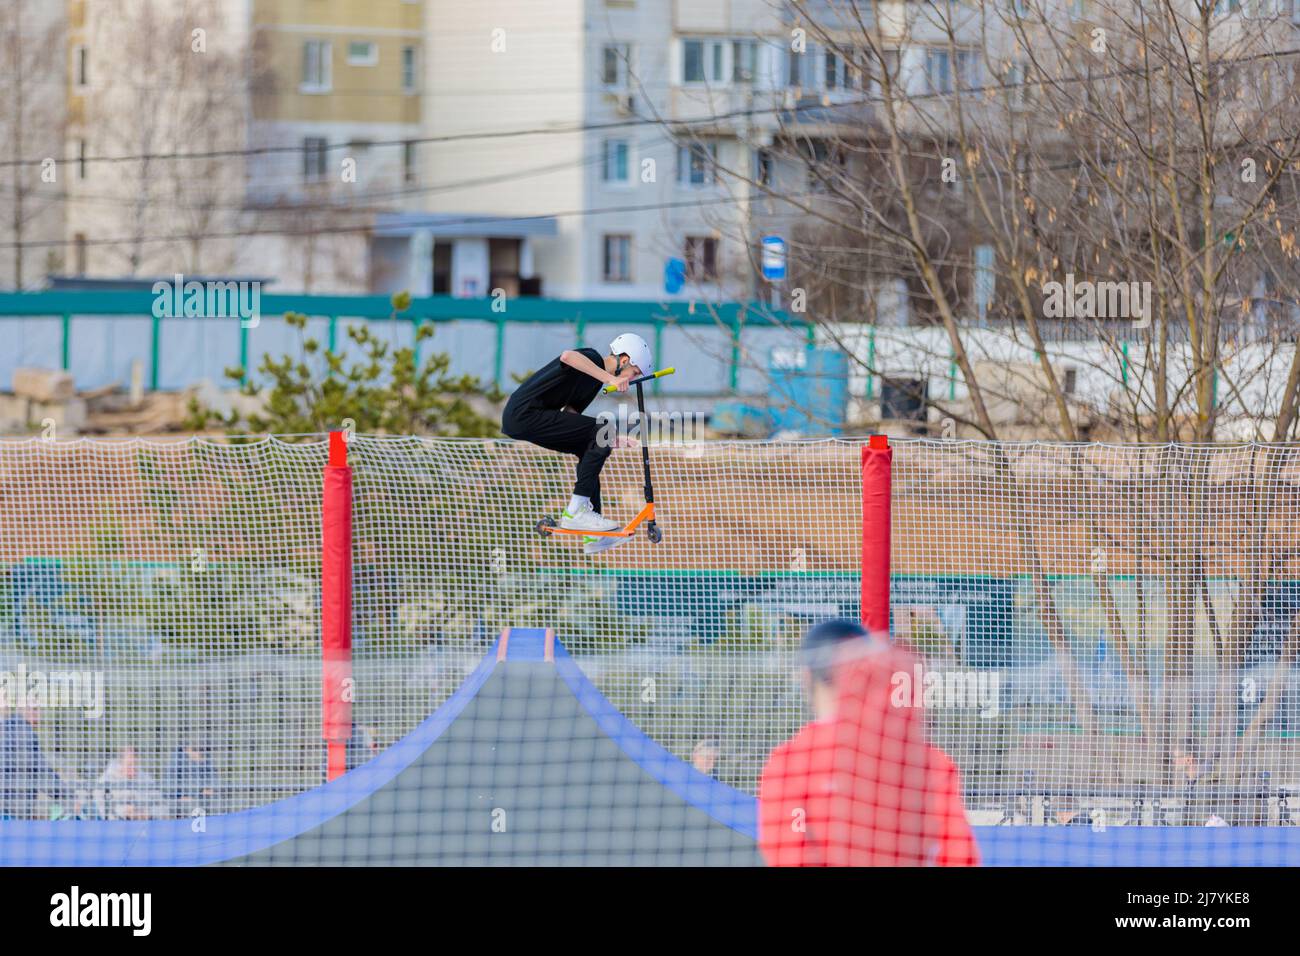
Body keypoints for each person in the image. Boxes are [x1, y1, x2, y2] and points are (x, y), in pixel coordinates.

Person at [757, 619, 980, 866]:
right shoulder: (926, 760)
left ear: (806, 676)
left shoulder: (790, 762)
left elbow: (787, 854)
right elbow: (960, 854)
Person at [502, 333, 653, 555]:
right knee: (603, 430)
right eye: (634, 373)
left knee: (595, 440)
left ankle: (594, 535)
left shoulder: (592, 384)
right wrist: (609, 379)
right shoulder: (591, 359)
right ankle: (575, 512)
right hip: (523, 414)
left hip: (529, 419)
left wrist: (611, 440)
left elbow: (571, 416)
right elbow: (568, 357)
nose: (631, 380)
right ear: (624, 360)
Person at [0, 704, 70, 819]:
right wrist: (66, 797)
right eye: (36, 709)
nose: (40, 714)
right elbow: (40, 770)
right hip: (12, 808)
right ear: (24, 709)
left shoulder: (8, 727)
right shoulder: (21, 731)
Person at [95, 746, 168, 820]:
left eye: (135, 765)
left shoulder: (146, 779)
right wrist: (123, 812)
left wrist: (149, 814)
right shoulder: (105, 780)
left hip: (145, 825)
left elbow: (162, 805)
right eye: (129, 765)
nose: (133, 769)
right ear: (120, 764)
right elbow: (102, 808)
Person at [164, 740, 220, 817]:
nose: (198, 752)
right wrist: (180, 796)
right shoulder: (176, 762)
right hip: (182, 801)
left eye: (201, 749)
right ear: (185, 750)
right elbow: (170, 786)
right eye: (194, 749)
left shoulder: (208, 763)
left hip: (203, 800)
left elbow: (213, 786)